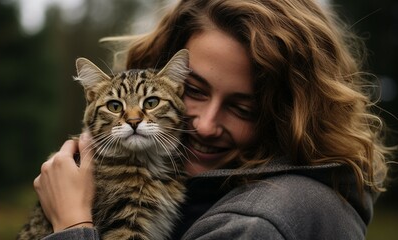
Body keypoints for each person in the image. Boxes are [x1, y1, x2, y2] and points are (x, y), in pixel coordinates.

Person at [33, 0, 393, 239]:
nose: (204, 125)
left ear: (291, 117)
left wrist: (72, 226)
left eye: (243, 108)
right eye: (195, 90)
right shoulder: (300, 191)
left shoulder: (255, 225)